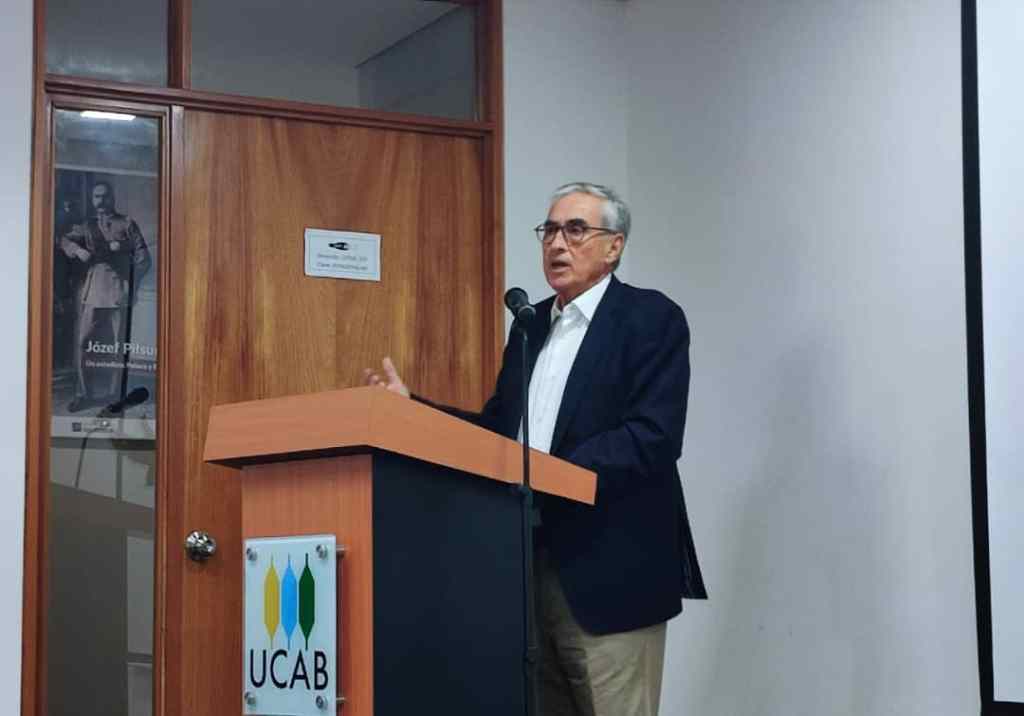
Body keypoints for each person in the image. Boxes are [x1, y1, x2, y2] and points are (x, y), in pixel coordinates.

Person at [364, 182, 706, 716]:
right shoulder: (530, 325)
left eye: (576, 230)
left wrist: (547, 472)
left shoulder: (649, 318)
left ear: (614, 245)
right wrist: (412, 408)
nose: (557, 243)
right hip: (525, 565)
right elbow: (497, 435)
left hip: (611, 577)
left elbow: (653, 436)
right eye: (549, 230)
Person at [60, 181, 152, 412]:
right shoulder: (87, 225)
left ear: (112, 198)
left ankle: (115, 394)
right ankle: (84, 394)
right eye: (96, 197)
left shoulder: (127, 223)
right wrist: (77, 250)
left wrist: (131, 284)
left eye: (105, 196)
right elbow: (63, 240)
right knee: (83, 343)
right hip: (94, 290)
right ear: (93, 200)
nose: (101, 201)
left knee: (119, 345)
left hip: (120, 290)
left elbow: (143, 259)